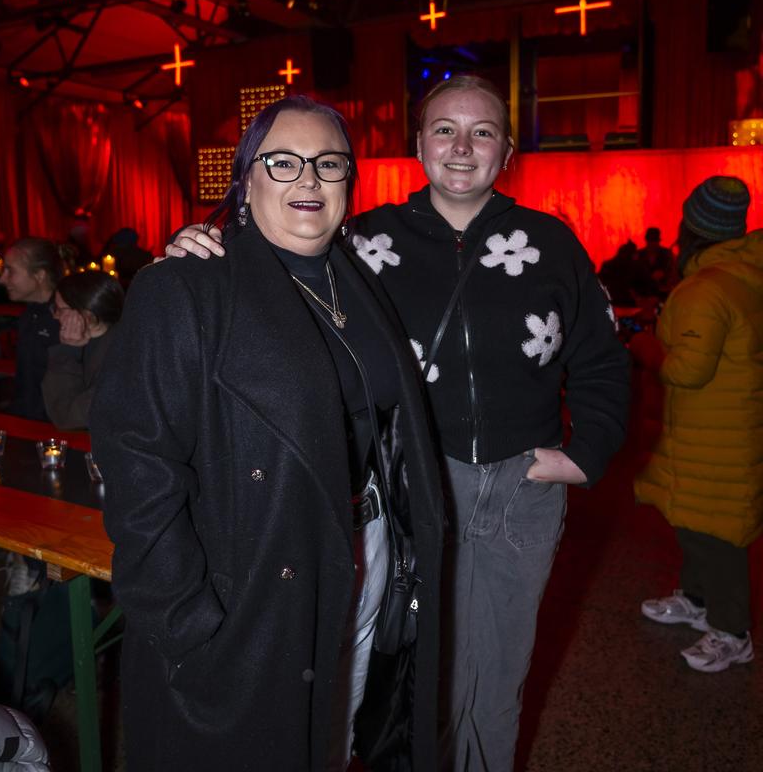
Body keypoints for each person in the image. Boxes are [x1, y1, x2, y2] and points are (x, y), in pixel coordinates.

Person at [168, 74, 631, 772]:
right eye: (445, 128)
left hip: (519, 488)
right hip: (415, 488)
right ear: (419, 144)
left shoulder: (549, 242)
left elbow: (603, 358)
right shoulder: (366, 240)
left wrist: (582, 454)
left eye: (483, 132)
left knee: (499, 669)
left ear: (506, 150)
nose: (463, 146)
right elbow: (279, 272)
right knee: (417, 668)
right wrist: (201, 249)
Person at [89, 96, 443, 772]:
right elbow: (138, 469)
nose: (309, 181)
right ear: (245, 182)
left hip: (359, 553)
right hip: (249, 583)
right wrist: (188, 622)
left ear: (349, 184)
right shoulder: (188, 287)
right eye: (284, 163)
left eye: (328, 164)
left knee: (330, 735)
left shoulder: (357, 281)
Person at [633, 176, 762, 672]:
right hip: (722, 429)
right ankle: (697, 599)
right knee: (696, 522)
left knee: (719, 536)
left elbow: (689, 368)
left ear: (692, 227)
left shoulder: (707, 288)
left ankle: (732, 631)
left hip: (717, 434)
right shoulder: (742, 276)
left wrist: (645, 346)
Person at [41, 271, 124, 430]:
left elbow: (66, 417)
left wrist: (67, 351)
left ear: (87, 315)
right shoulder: (103, 341)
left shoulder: (119, 356)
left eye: (60, 309)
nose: (55, 316)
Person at [0, 238, 62, 420]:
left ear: (40, 275)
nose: (2, 279)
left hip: (55, 433)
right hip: (28, 422)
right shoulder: (30, 315)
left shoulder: (66, 319)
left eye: (10, 271)